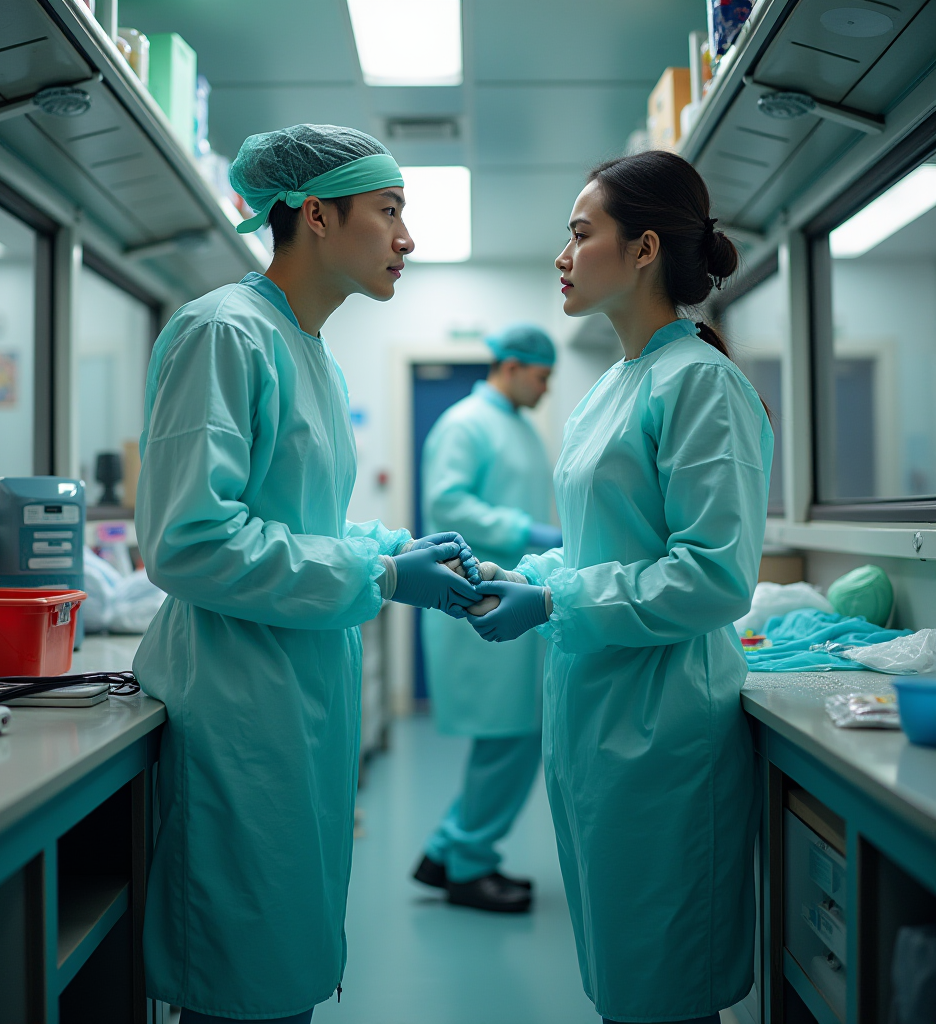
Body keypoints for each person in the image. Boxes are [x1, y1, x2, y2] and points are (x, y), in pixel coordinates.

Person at [133, 124, 481, 1024]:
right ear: (317, 215)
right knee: (244, 976)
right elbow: (190, 542)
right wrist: (382, 579)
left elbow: (297, 525)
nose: (407, 238)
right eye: (390, 210)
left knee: (283, 957)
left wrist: (386, 549)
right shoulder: (224, 332)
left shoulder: (309, 351)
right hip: (236, 699)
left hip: (293, 694)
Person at [468, 150, 773, 1023]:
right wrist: (518, 575)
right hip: (595, 715)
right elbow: (600, 546)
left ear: (643, 250)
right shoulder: (610, 386)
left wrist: (559, 600)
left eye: (578, 234)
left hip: (665, 725)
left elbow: (714, 576)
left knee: (664, 990)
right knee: (625, 981)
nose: (562, 256)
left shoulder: (703, 386)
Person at [412, 324, 560, 913]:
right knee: (508, 736)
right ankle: (468, 866)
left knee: (516, 735)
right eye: (543, 376)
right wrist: (529, 531)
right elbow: (447, 505)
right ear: (512, 365)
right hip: (477, 600)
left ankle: (449, 850)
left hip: (510, 595)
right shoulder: (466, 423)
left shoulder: (520, 429)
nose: (547, 389)